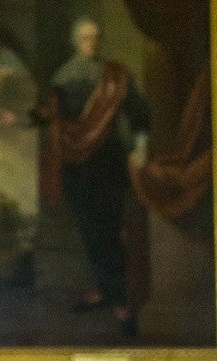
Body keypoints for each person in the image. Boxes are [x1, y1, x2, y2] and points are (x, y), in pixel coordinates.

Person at [40, 16, 149, 333]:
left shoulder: (115, 76)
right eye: (85, 37)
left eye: (94, 36)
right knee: (91, 231)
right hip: (77, 165)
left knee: (111, 229)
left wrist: (140, 145)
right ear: (76, 41)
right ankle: (108, 290)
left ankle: (118, 301)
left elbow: (139, 112)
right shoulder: (62, 77)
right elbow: (49, 114)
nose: (90, 42)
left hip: (109, 162)